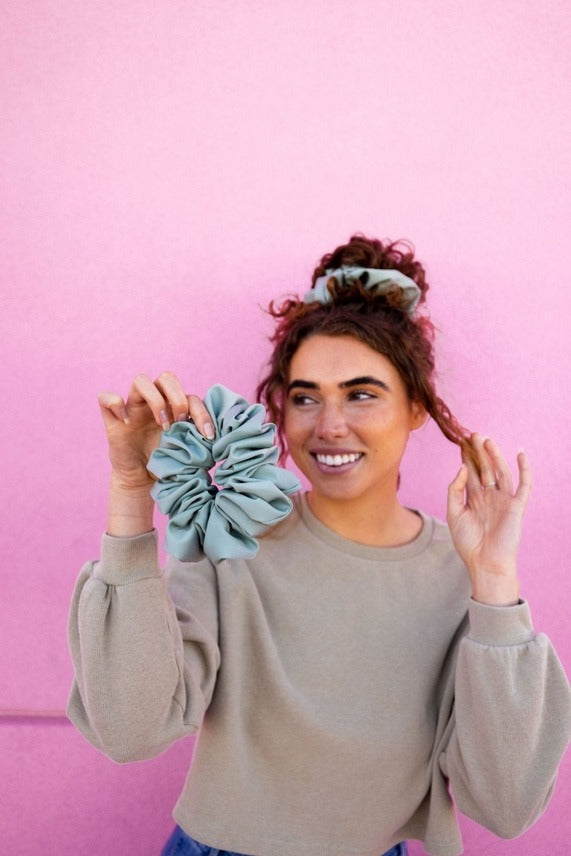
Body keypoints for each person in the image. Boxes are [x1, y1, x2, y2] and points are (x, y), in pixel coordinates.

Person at [67, 236, 571, 856]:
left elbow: (507, 806)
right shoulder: (230, 541)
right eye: (306, 397)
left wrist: (494, 581)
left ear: (417, 407)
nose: (329, 426)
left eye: (361, 393)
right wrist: (130, 492)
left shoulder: (460, 573)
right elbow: (130, 729)